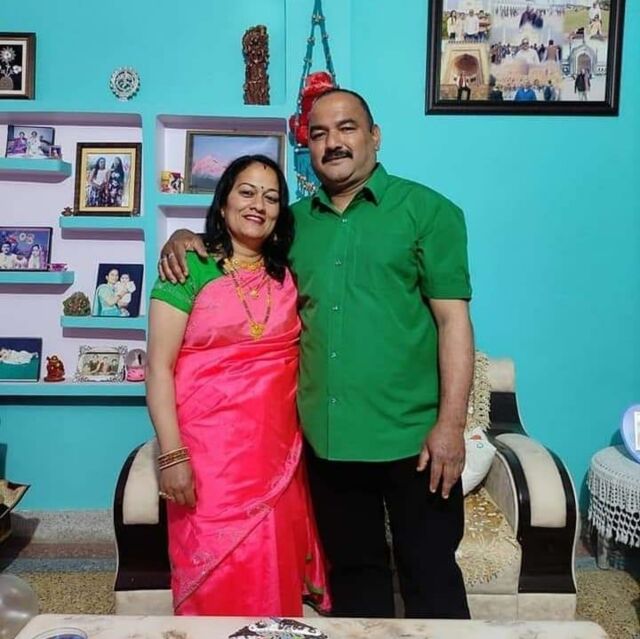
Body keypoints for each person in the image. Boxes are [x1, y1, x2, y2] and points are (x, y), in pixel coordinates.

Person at [159, 89, 474, 620]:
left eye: (347, 128)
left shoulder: (429, 212)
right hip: (328, 445)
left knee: (431, 576)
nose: (333, 143)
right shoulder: (292, 225)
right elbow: (236, 245)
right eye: (319, 134)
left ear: (374, 136)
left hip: (413, 439)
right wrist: (184, 236)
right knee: (355, 580)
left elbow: (453, 322)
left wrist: (451, 426)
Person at [146, 154, 329, 617]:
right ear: (223, 202)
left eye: (271, 197)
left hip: (276, 457)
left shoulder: (290, 272)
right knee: (213, 571)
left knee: (270, 572)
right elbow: (158, 368)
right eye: (246, 192)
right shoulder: (188, 268)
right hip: (207, 459)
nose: (257, 205)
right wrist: (172, 456)